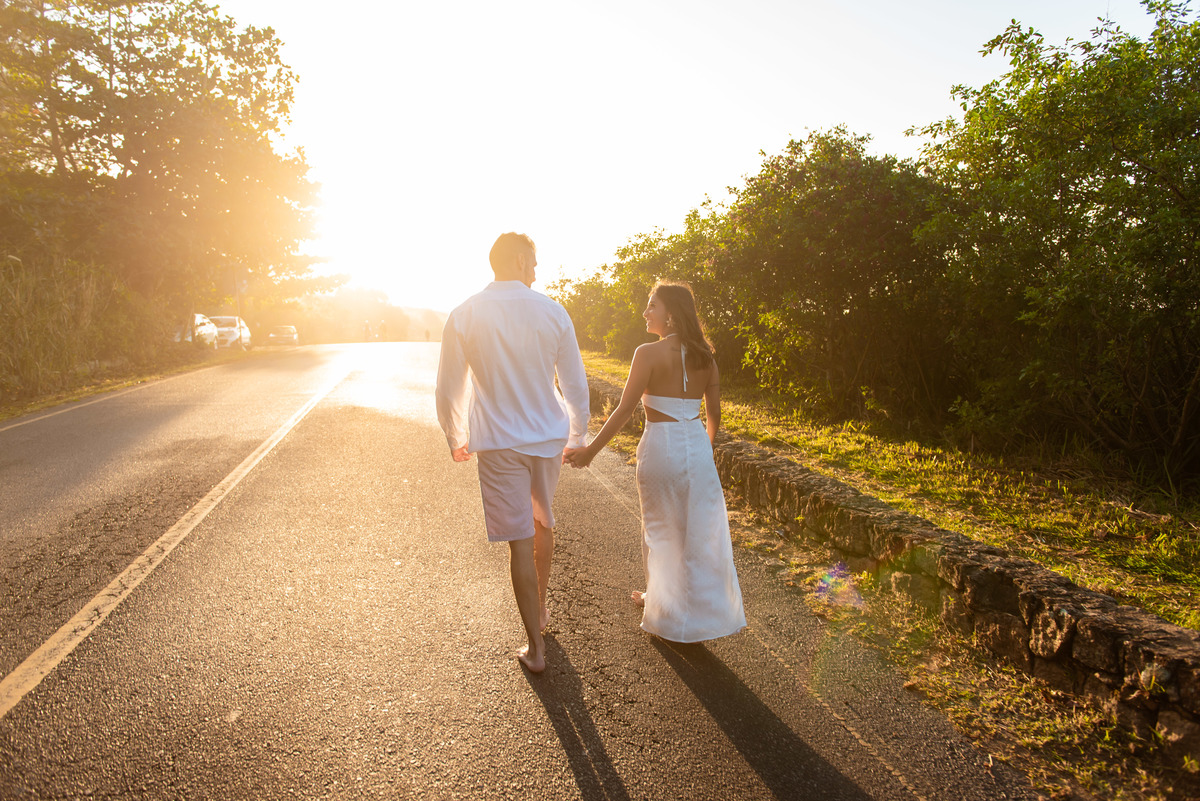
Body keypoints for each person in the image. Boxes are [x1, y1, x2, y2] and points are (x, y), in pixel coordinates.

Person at [435, 233, 590, 672]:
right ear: (521, 261)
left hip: (499, 443)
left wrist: (456, 435)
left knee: (519, 543)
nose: (537, 272)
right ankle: (540, 610)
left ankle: (536, 650)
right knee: (543, 520)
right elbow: (575, 384)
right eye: (535, 262)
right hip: (546, 440)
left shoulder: (464, 314)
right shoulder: (553, 311)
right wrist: (577, 436)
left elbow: (449, 386)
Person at [566, 282, 745, 642]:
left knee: (660, 529)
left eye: (652, 306)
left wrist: (590, 452)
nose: (646, 313)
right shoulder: (706, 358)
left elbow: (624, 411)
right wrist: (700, 450)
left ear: (671, 313)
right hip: (695, 447)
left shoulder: (646, 353)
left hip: (660, 448)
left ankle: (663, 611)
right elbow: (714, 415)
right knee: (695, 530)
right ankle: (700, 615)